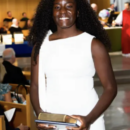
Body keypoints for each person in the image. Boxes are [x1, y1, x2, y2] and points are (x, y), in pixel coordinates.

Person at [29, 0, 117, 130]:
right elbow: (35, 85)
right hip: (54, 119)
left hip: (87, 117)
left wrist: (88, 119)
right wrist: (40, 114)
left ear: (78, 12)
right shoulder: (41, 46)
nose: (63, 11)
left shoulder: (93, 44)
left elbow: (110, 88)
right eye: (57, 7)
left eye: (69, 6)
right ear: (51, 12)